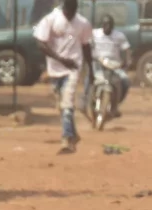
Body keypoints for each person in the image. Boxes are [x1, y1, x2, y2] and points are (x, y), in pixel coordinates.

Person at [33, 0, 93, 154]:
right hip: (55, 69)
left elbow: (86, 46)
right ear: (64, 7)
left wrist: (91, 71)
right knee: (62, 106)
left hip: (73, 67)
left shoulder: (83, 23)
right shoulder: (50, 19)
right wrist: (60, 59)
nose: (71, 13)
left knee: (67, 103)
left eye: (74, 10)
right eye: (69, 10)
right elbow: (41, 43)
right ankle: (73, 134)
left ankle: (66, 140)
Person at [86, 15, 131, 117]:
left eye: (110, 25)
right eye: (105, 24)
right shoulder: (94, 34)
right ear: (102, 25)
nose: (108, 27)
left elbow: (127, 50)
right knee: (89, 79)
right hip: (97, 62)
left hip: (114, 65)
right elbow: (87, 45)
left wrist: (127, 62)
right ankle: (85, 100)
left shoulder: (119, 36)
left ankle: (116, 105)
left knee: (125, 81)